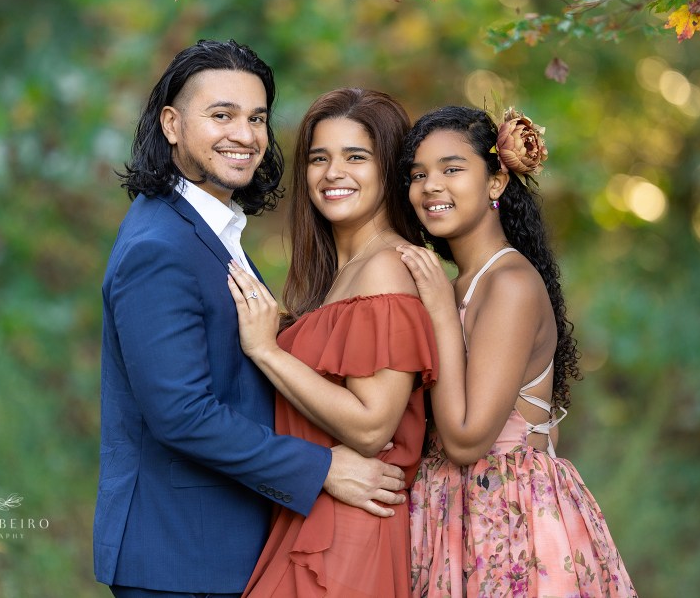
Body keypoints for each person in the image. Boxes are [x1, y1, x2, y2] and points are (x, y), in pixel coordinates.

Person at [94, 41, 409, 598]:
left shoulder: (207, 230)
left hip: (219, 549)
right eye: (222, 115)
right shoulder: (160, 247)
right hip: (181, 556)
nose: (244, 134)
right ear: (171, 124)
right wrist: (321, 469)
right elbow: (182, 415)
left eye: (257, 118)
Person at [398, 105, 637, 597]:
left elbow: (467, 441)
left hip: (508, 518)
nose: (429, 186)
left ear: (496, 182)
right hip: (450, 509)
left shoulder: (509, 284)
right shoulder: (460, 283)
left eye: (451, 169)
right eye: (417, 174)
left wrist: (441, 312)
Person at [225, 87, 438, 597]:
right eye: (319, 158)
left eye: (355, 157)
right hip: (315, 515)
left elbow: (371, 427)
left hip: (348, 533)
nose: (332, 173)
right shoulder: (343, 275)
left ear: (389, 170)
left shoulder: (387, 268)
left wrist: (266, 351)